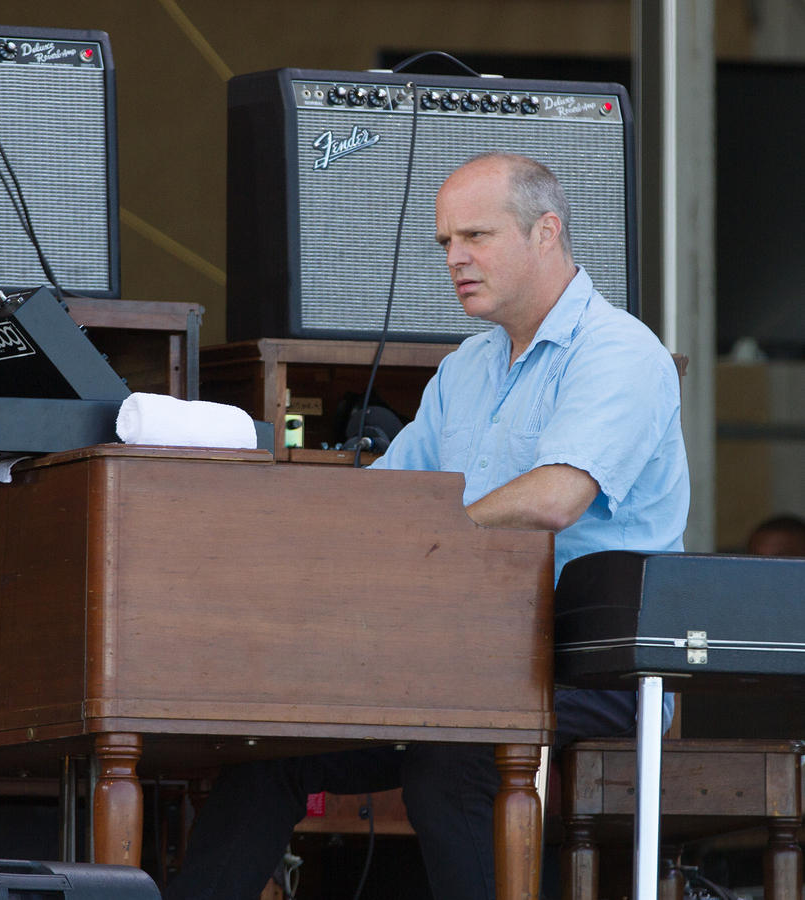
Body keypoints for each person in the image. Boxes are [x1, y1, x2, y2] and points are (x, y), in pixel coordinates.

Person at [165, 153, 689, 900]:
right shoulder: (464, 370)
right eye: (445, 242)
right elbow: (386, 502)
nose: (456, 259)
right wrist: (275, 539)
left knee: (454, 760)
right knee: (269, 750)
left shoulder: (621, 353)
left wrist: (430, 528)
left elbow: (555, 499)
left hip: (596, 665)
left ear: (547, 232)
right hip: (465, 660)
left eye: (475, 235)